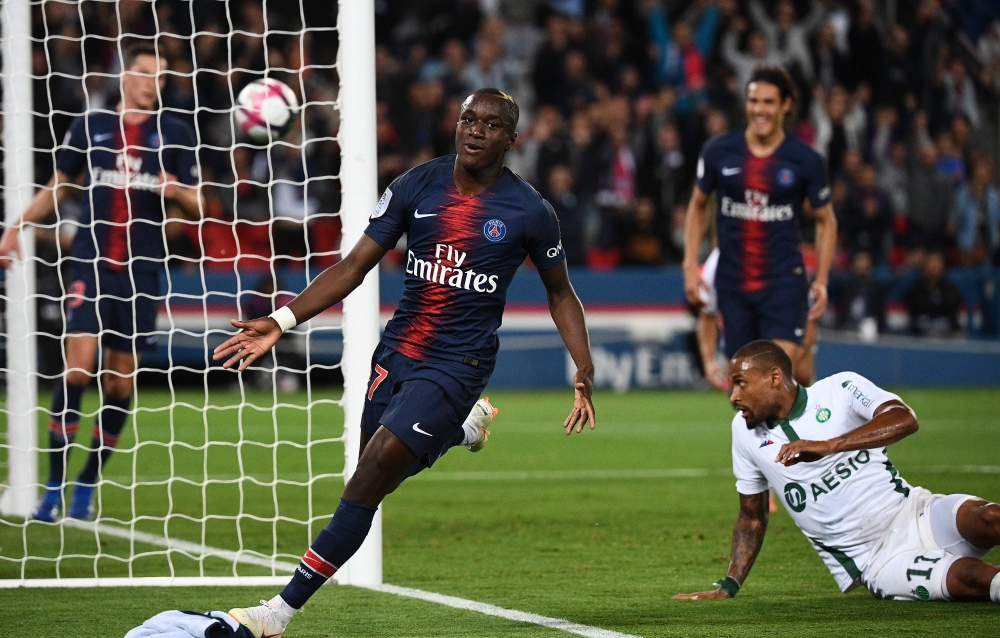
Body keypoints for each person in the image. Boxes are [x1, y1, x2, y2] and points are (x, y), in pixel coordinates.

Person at [214, 88, 597, 638]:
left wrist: (581, 367)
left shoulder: (530, 211)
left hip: (458, 363)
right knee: (382, 471)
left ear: (511, 139)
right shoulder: (417, 184)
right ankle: (463, 429)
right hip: (398, 350)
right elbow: (355, 265)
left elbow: (560, 291)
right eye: (468, 118)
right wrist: (282, 320)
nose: (475, 130)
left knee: (369, 477)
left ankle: (278, 612)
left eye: (491, 124)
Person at [0, 43, 203, 521]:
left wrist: (177, 193)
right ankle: (52, 490)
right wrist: (16, 226)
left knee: (118, 382)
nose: (153, 83)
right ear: (125, 76)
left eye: (161, 77)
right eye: (146, 73)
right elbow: (61, 184)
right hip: (90, 264)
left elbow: (200, 204)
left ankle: (86, 488)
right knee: (77, 369)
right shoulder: (90, 126)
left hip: (142, 270)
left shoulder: (174, 132)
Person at [674, 340, 1000, 603]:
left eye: (741, 384)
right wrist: (729, 585)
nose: (733, 397)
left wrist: (831, 444)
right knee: (974, 576)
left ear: (774, 377)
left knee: (990, 517)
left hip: (915, 511)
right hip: (877, 561)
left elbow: (905, 419)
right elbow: (751, 516)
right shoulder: (743, 432)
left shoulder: (841, 389)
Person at [683, 66, 836, 382]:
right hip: (734, 284)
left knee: (771, 377)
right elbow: (697, 206)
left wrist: (821, 278)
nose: (759, 109)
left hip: (782, 282)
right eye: (754, 101)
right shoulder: (718, 151)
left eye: (768, 102)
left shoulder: (805, 160)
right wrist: (689, 265)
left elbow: (826, 220)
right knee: (745, 389)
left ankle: (803, 362)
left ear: (786, 105)